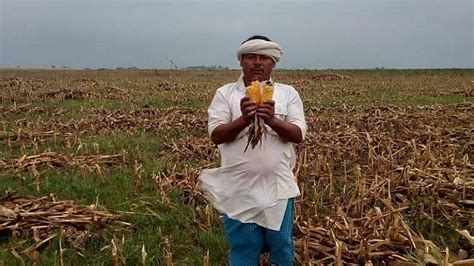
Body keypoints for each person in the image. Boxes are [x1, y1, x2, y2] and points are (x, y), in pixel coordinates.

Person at [199, 35, 307, 266]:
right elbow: (216, 135)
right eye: (251, 57)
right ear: (241, 61)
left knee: (282, 245)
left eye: (264, 57)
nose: (257, 62)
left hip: (278, 186)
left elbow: (298, 135)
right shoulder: (225, 94)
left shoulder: (288, 94)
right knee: (244, 245)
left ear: (273, 63)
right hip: (239, 187)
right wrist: (244, 120)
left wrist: (272, 120)